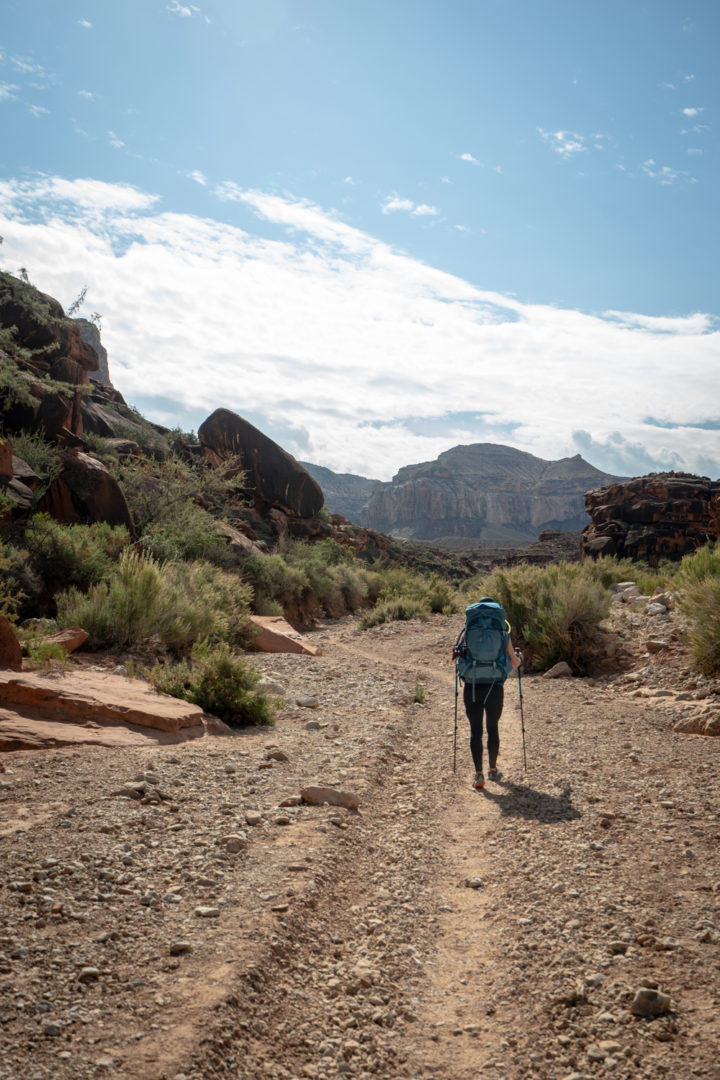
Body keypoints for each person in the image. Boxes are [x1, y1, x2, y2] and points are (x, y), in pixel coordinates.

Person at [465, 632, 522, 791]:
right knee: (492, 727)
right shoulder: (503, 634)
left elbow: (457, 660)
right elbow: (515, 663)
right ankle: (492, 771)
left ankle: (478, 775)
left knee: (475, 730)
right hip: (495, 687)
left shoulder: (468, 632)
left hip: (472, 687)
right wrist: (520, 657)